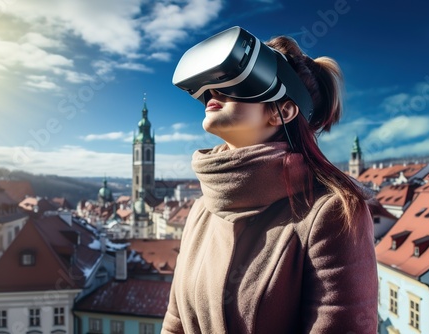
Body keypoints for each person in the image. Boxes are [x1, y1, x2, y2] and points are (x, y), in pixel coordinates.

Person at [162, 30, 378, 334]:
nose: (214, 91)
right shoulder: (200, 211)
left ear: (283, 111)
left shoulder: (332, 215)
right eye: (213, 82)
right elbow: (175, 323)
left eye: (237, 80)